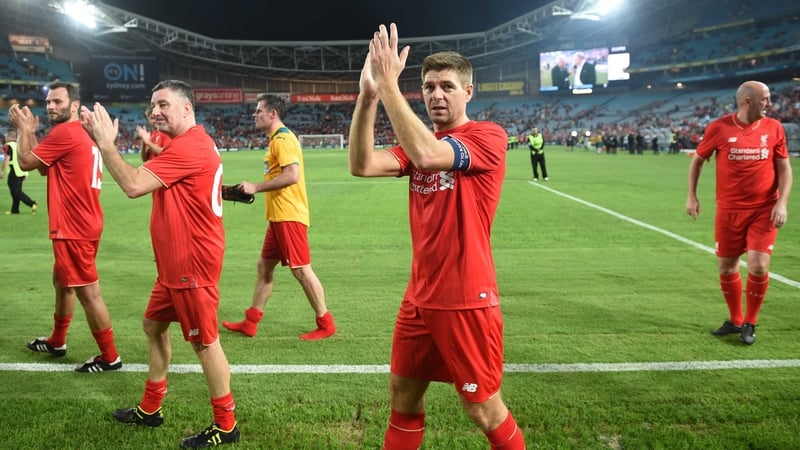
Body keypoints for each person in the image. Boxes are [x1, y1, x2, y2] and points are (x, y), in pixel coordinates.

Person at [348, 24, 526, 449]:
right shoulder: (423, 140)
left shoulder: (487, 136)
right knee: (403, 396)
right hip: (419, 297)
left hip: (465, 297)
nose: (436, 95)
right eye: (428, 86)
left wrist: (390, 83)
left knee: (483, 409)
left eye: (447, 86)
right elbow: (362, 164)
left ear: (469, 92)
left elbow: (428, 156)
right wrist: (369, 97)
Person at [79, 80, 240, 447]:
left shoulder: (191, 147)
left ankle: (227, 426)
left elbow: (135, 185)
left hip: (191, 264)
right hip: (173, 266)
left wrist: (105, 143)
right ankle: (151, 409)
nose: (155, 111)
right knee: (153, 325)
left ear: (187, 109)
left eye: (164, 104)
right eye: (153, 105)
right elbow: (154, 166)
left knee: (205, 344)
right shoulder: (185, 143)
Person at [8, 81, 122, 373]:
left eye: (57, 101)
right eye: (48, 102)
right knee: (61, 280)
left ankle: (110, 356)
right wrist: (33, 135)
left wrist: (24, 130)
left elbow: (24, 160)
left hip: (73, 226)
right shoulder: (76, 133)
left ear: (73, 105)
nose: (50, 106)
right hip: (85, 221)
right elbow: (44, 167)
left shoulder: (66, 132)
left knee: (88, 293)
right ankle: (57, 341)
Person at [686, 80, 793, 346]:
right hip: (729, 210)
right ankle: (735, 320)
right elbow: (698, 159)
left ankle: (751, 321)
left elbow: (784, 168)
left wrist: (782, 203)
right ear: (748, 101)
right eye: (765, 99)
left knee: (758, 266)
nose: (769, 104)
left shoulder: (774, 128)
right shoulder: (719, 128)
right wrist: (692, 195)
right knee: (727, 266)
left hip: (763, 209)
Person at [222, 93, 335, 341]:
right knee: (264, 267)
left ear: (272, 114)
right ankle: (250, 322)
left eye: (259, 111)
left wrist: (255, 187)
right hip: (278, 216)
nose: (255, 115)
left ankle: (326, 323)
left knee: (302, 270)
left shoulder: (283, 139)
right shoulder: (276, 140)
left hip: (288, 214)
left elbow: (292, 175)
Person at [2, 129, 39, 214]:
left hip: (14, 171)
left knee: (15, 191)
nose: (5, 138)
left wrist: (2, 171)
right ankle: (15, 210)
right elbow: (24, 158)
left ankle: (32, 203)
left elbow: (7, 159)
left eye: (6, 136)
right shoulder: (19, 145)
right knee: (16, 190)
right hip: (22, 171)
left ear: (9, 137)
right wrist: (26, 173)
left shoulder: (8, 145)